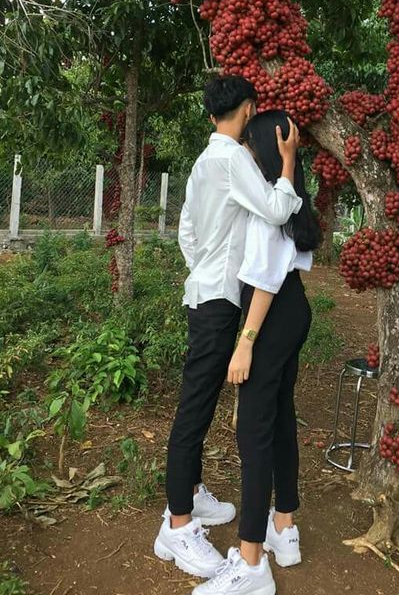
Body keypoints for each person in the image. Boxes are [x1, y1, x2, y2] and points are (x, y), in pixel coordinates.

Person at [154, 78, 302, 580]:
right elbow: (279, 209)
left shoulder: (203, 160)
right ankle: (177, 525)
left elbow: (186, 230)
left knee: (199, 401)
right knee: (195, 407)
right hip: (218, 300)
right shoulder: (234, 158)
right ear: (249, 109)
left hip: (206, 291)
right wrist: (287, 160)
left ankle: (191, 496)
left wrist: (205, 267)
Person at [192, 111, 321, 595]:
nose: (242, 151)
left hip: (268, 316)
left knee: (253, 431)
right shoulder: (288, 200)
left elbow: (264, 277)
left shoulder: (268, 205)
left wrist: (245, 344)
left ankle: (250, 564)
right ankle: (283, 528)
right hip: (294, 311)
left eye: (248, 144)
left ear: (263, 150)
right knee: (280, 419)